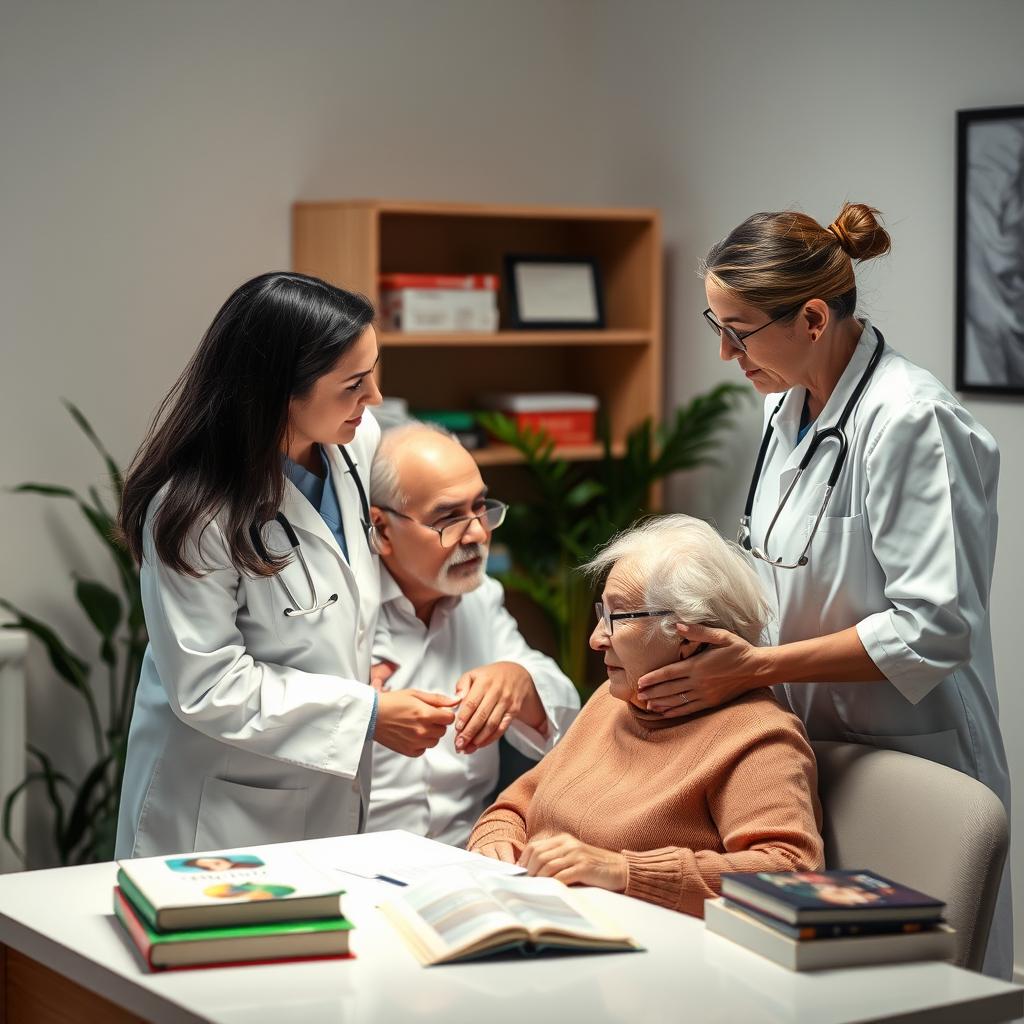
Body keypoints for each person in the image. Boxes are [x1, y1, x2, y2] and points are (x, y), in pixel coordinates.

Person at [636, 203, 1012, 976]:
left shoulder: (911, 420)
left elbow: (932, 631)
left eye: (737, 330)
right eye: (718, 323)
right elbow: (781, 567)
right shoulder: (784, 405)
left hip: (912, 751)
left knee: (912, 990)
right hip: (809, 748)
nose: (723, 351)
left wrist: (758, 668)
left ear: (812, 317)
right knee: (810, 981)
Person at [114, 273, 458, 858]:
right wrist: (367, 714)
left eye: (372, 373)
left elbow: (341, 595)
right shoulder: (196, 511)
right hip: (219, 813)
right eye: (353, 384)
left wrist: (364, 667)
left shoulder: (354, 439)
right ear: (279, 393)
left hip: (322, 793)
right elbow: (208, 686)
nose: (374, 398)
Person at [468, 515, 823, 915]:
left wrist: (623, 870)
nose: (596, 638)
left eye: (617, 618)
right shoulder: (613, 700)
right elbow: (518, 803)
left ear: (688, 639)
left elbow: (789, 871)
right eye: (601, 613)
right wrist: (496, 838)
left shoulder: (757, 735)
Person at [365, 422, 580, 847]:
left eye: (481, 507)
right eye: (448, 518)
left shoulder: (479, 598)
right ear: (383, 530)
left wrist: (520, 680)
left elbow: (568, 712)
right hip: (355, 857)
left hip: (470, 854)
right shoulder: (340, 616)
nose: (479, 533)